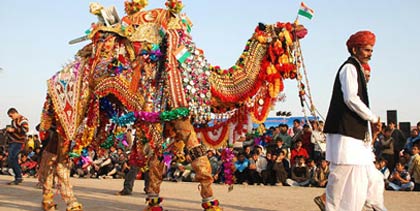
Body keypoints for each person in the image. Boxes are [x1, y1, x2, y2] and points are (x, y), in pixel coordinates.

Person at [320, 31, 386, 211]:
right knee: (342, 181)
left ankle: (376, 206)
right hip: (345, 136)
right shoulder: (349, 68)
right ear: (355, 49)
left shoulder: (356, 68)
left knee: (368, 178)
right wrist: (372, 117)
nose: (370, 54)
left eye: (371, 50)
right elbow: (351, 98)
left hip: (355, 137)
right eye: (366, 50)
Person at [5, 108, 29, 185]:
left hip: (18, 142)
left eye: (11, 116)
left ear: (14, 113)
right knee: (12, 159)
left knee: (12, 158)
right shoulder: (14, 121)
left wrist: (13, 130)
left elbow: (25, 130)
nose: (11, 118)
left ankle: (18, 177)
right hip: (13, 142)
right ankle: (18, 177)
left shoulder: (22, 119)